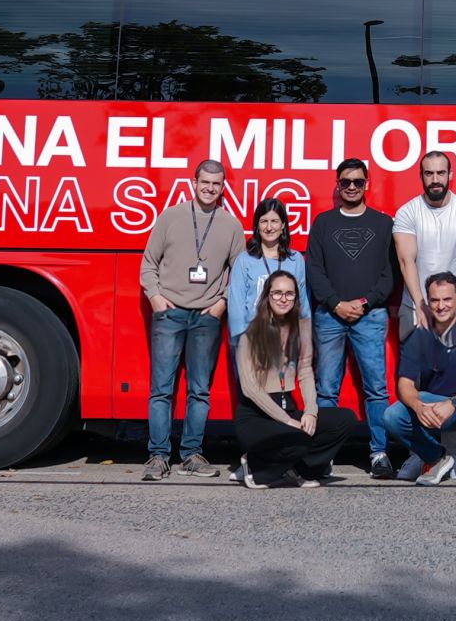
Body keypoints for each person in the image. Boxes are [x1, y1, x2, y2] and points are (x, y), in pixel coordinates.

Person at [139, 159, 243, 479]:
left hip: (206, 317)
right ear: (193, 183)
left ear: (223, 187)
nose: (210, 188)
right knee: (162, 389)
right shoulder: (170, 217)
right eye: (205, 182)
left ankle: (192, 455)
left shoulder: (230, 224)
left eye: (216, 183)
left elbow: (240, 275)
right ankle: (158, 457)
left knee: (200, 390)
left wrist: (221, 305)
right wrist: (156, 297)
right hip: (170, 314)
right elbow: (148, 263)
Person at [308, 158, 398, 478]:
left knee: (376, 388)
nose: (351, 187)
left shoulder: (383, 224)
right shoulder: (323, 223)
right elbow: (314, 271)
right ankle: (323, 454)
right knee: (326, 388)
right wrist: (335, 303)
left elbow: (390, 275)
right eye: (345, 181)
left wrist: (363, 302)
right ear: (337, 184)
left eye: (357, 182)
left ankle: (379, 452)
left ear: (367, 184)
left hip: (369, 316)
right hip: (329, 316)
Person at [233, 272, 360, 487]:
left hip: (288, 407)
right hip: (256, 416)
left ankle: (298, 468)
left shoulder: (302, 327)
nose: (283, 299)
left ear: (296, 298)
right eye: (277, 293)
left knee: (345, 419)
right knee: (298, 439)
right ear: (267, 296)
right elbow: (249, 389)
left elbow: (305, 372)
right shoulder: (250, 335)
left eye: (289, 294)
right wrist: (288, 421)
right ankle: (254, 466)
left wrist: (310, 411)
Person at [381, 272, 456, 485]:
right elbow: (404, 385)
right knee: (392, 416)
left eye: (447, 299)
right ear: (428, 303)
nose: (441, 306)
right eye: (435, 300)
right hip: (434, 407)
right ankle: (436, 458)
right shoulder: (420, 334)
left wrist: (454, 402)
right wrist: (418, 406)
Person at [223, 196, 310, 481]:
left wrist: (304, 337)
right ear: (257, 227)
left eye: (275, 221)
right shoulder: (245, 261)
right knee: (252, 398)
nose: (270, 227)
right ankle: (249, 457)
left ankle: (276, 457)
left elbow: (302, 301)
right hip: (253, 342)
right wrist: (241, 342)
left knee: (280, 396)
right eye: (264, 222)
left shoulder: (296, 260)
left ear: (284, 226)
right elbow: (236, 303)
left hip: (285, 341)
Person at [393, 151, 456, 331]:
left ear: (450, 174)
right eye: (429, 173)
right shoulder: (407, 212)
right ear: (421, 176)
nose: (435, 179)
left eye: (441, 173)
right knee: (416, 359)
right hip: (415, 306)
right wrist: (420, 304)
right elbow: (406, 262)